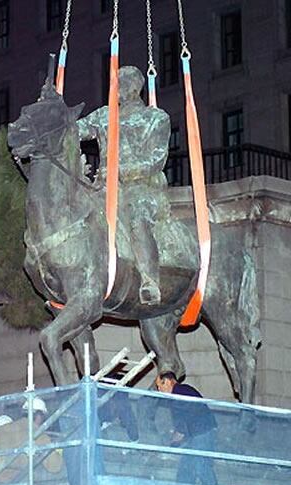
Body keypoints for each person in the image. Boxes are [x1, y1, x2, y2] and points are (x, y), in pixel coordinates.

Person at [78, 65, 171, 305]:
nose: (115, 89)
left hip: (141, 188)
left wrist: (123, 172)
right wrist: (54, 115)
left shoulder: (155, 118)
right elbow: (74, 131)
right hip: (104, 189)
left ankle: (150, 280)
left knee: (138, 219)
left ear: (133, 87)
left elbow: (157, 159)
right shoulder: (103, 115)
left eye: (119, 84)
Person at [155, 372, 218, 485]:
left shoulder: (177, 395)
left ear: (169, 382)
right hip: (201, 433)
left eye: (160, 386)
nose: (159, 390)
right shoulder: (185, 389)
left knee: (201, 467)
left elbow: (181, 428)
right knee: (187, 469)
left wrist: (170, 446)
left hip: (201, 434)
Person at [0, 397, 63, 485]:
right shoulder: (39, 436)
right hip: (21, 484)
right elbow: (55, 467)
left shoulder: (1, 430)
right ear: (38, 416)